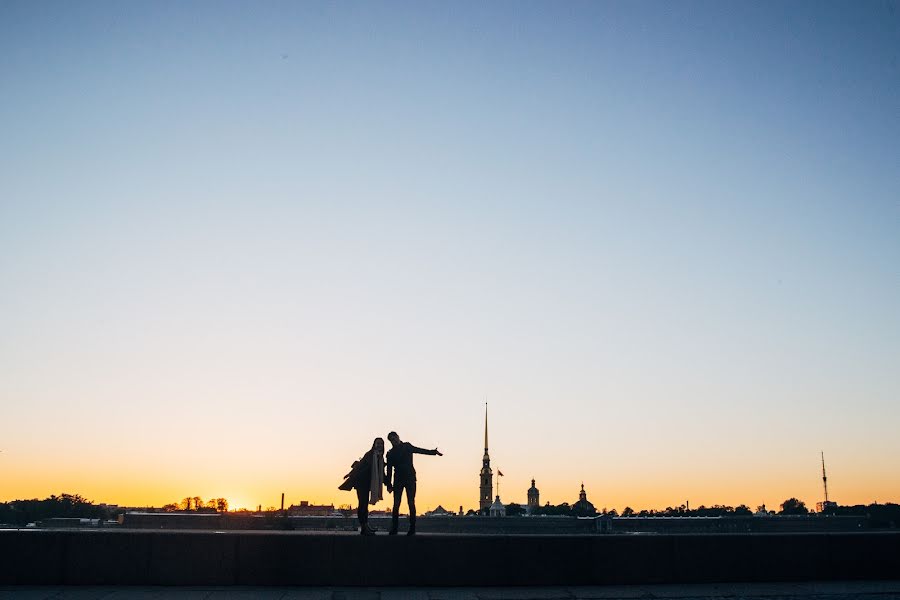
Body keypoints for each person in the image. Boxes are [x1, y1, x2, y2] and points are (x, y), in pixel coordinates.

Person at [385, 431, 443, 535]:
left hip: (410, 479)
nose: (394, 441)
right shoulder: (390, 453)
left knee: (410, 503)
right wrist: (389, 485)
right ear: (391, 441)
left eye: (395, 438)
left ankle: (412, 528)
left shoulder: (407, 446)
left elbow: (419, 450)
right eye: (392, 440)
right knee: (396, 504)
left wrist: (433, 452)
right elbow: (389, 470)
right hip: (399, 480)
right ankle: (395, 528)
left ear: (398, 437)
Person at [338, 437, 386, 535]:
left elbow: (382, 473)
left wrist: (388, 484)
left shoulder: (380, 458)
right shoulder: (369, 454)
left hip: (368, 483)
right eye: (377, 443)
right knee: (362, 504)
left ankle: (366, 525)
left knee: (364, 505)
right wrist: (350, 474)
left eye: (381, 443)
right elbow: (360, 465)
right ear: (374, 444)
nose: (379, 445)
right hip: (361, 482)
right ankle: (364, 527)